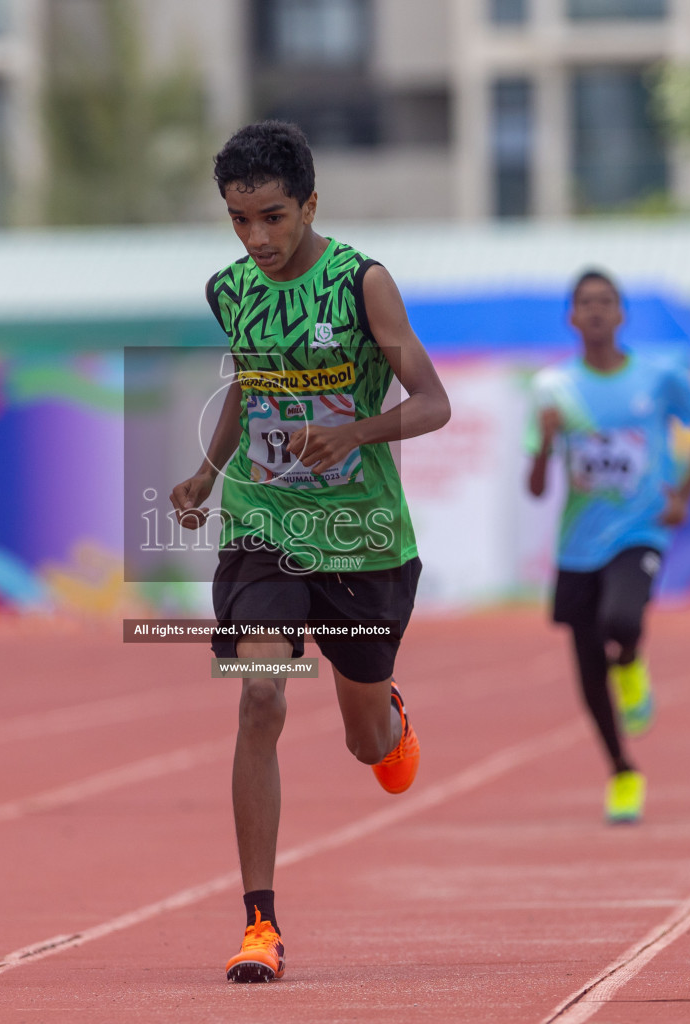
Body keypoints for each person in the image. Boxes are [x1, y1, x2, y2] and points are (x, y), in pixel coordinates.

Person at [169, 121, 451, 983]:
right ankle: (260, 925)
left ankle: (386, 718)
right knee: (262, 695)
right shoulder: (230, 290)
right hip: (266, 526)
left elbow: (433, 403)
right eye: (238, 220)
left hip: (362, 537)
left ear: (311, 205)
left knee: (368, 747)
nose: (256, 238)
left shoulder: (362, 283)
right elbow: (250, 387)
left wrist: (356, 432)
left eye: (273, 217)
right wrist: (206, 475)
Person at [527, 269, 690, 825]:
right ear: (570, 316)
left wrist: (683, 492)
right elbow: (537, 488)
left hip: (641, 530)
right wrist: (543, 444)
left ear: (621, 315)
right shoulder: (553, 389)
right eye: (584, 303)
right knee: (588, 669)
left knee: (623, 619)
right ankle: (622, 771)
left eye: (605, 302)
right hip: (578, 546)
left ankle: (632, 661)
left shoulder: (660, 376)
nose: (594, 311)